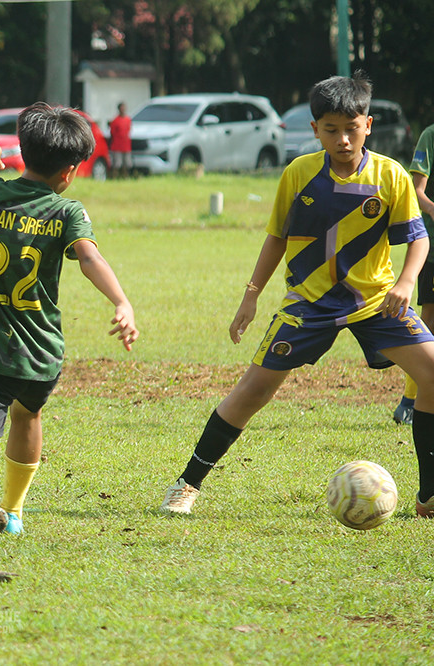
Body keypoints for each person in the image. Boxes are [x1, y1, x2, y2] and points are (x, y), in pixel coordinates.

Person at [159, 71, 434, 518]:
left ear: (368, 124)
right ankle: (187, 483)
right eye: (331, 130)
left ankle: (429, 496)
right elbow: (276, 238)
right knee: (254, 390)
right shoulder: (299, 174)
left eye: (352, 127)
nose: (343, 139)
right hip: (309, 305)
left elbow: (417, 238)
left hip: (375, 302)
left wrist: (405, 282)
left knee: (433, 374)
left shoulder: (392, 175)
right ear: (314, 130)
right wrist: (250, 296)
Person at [0, 102, 139, 557]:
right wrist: (121, 301)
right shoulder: (65, 211)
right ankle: (15, 513)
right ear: (69, 171)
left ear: (23, 153)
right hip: (42, 353)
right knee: (28, 415)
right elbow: (89, 258)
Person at [391, 121, 434, 426]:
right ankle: (410, 399)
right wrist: (432, 208)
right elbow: (416, 191)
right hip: (432, 246)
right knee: (429, 317)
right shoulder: (430, 135)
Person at [108, 102, 132, 179]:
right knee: (117, 164)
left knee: (127, 164)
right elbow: (112, 133)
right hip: (117, 146)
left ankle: (125, 177)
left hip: (126, 146)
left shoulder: (128, 119)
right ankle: (114, 177)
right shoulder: (115, 120)